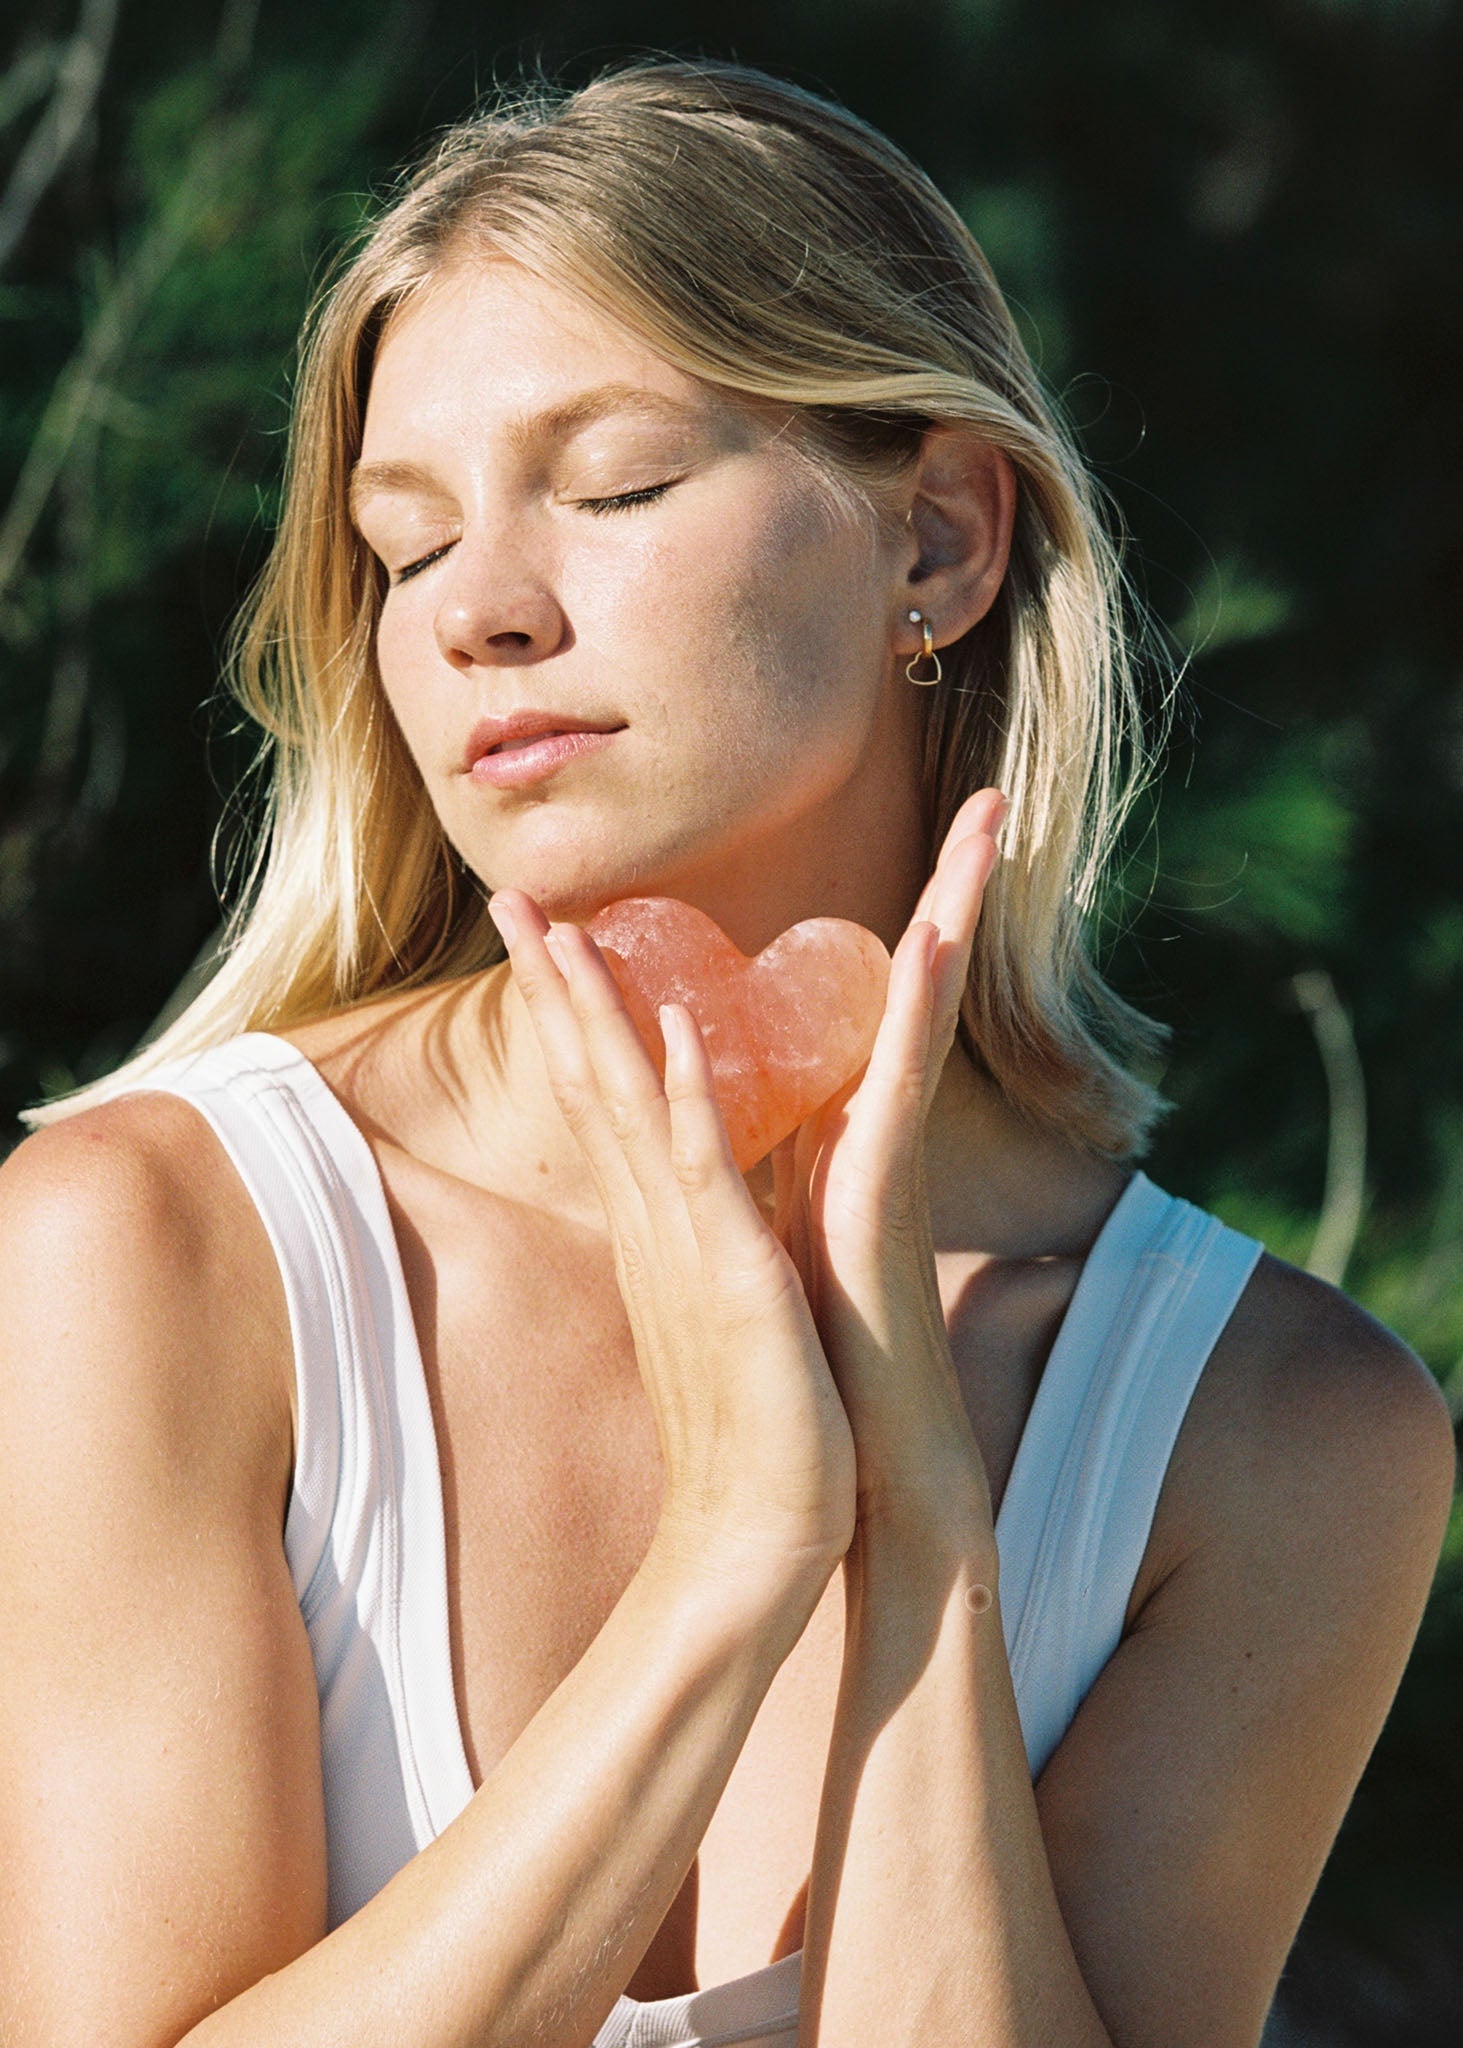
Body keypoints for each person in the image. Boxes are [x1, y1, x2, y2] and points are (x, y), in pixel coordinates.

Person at [0, 58, 1453, 2048]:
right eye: (406, 545)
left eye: (612, 487)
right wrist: (733, 1560)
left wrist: (919, 1526)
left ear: (934, 540)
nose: (477, 614)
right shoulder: (146, 1252)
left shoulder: (1280, 1432)